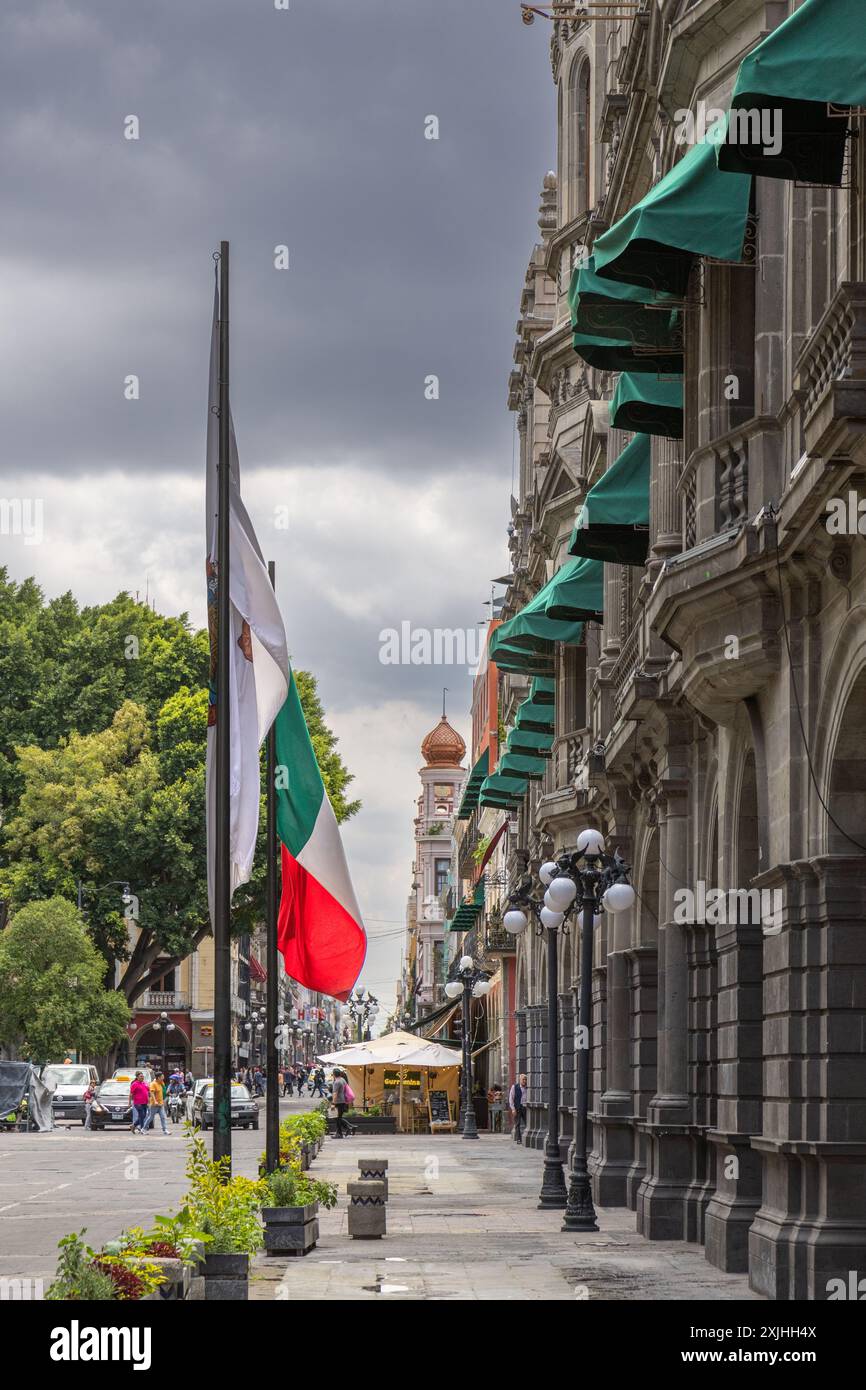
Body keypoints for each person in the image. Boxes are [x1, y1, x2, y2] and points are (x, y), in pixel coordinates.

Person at [331, 1070, 356, 1138]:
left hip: (338, 1102)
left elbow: (335, 1093)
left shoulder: (337, 1082)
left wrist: (333, 1103)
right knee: (338, 1118)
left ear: (334, 1074)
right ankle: (346, 1129)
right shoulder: (342, 1080)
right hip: (343, 1101)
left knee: (336, 1118)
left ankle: (340, 1133)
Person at [509, 1074, 528, 1144]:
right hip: (517, 1107)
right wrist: (513, 1109)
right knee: (517, 1124)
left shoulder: (528, 1088)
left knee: (528, 1123)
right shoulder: (514, 1087)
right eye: (523, 1079)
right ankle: (518, 1139)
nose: (524, 1081)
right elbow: (511, 1098)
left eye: (525, 1079)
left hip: (526, 1107)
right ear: (520, 1080)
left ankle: (527, 1137)